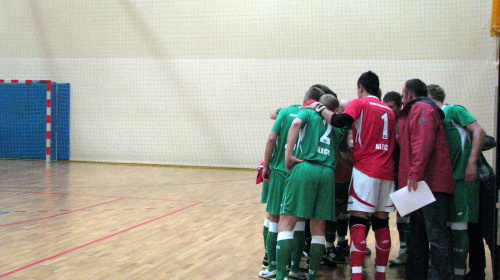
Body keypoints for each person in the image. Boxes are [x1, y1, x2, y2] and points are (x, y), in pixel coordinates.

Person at [305, 71, 396, 280]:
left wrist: (319, 108)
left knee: (358, 221)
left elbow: (338, 120)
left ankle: (356, 276)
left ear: (361, 87)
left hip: (366, 171)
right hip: (387, 172)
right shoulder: (389, 111)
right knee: (382, 222)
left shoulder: (360, 103)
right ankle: (380, 275)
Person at [259, 87, 326, 280]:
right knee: (299, 221)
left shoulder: (288, 111)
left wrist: (266, 165)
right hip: (301, 173)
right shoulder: (318, 117)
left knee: (274, 218)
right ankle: (294, 269)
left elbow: (272, 137)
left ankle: (271, 266)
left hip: (280, 170)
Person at [276, 94, 345, 280]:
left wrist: (288, 155)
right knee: (318, 227)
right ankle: (312, 275)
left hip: (305, 166)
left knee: (287, 221)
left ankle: (281, 275)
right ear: (335, 110)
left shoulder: (309, 112)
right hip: (327, 172)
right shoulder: (338, 125)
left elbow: (295, 124)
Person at [398, 79, 455, 279]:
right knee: (418, 236)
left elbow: (423, 142)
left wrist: (414, 173)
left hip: (429, 184)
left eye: (403, 94)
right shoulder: (418, 110)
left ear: (409, 95)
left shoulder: (421, 108)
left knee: (436, 237)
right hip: (421, 184)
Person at [428, 84, 486, 279]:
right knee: (447, 229)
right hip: (446, 181)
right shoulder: (432, 118)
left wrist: (471, 162)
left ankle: (459, 274)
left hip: (463, 177)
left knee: (461, 229)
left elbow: (479, 131)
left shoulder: (453, 110)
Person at [382, 91, 409, 266]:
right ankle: (404, 250)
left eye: (391, 107)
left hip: (408, 174)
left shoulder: (405, 121)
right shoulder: (387, 122)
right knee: (399, 215)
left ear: (399, 106)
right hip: (393, 173)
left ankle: (413, 252)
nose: (388, 110)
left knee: (410, 215)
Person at [466, 135, 496, 280]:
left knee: (490, 233)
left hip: (485, 185)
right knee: (473, 232)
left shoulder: (472, 133)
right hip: (468, 188)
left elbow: (491, 141)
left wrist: (470, 143)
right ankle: (476, 273)